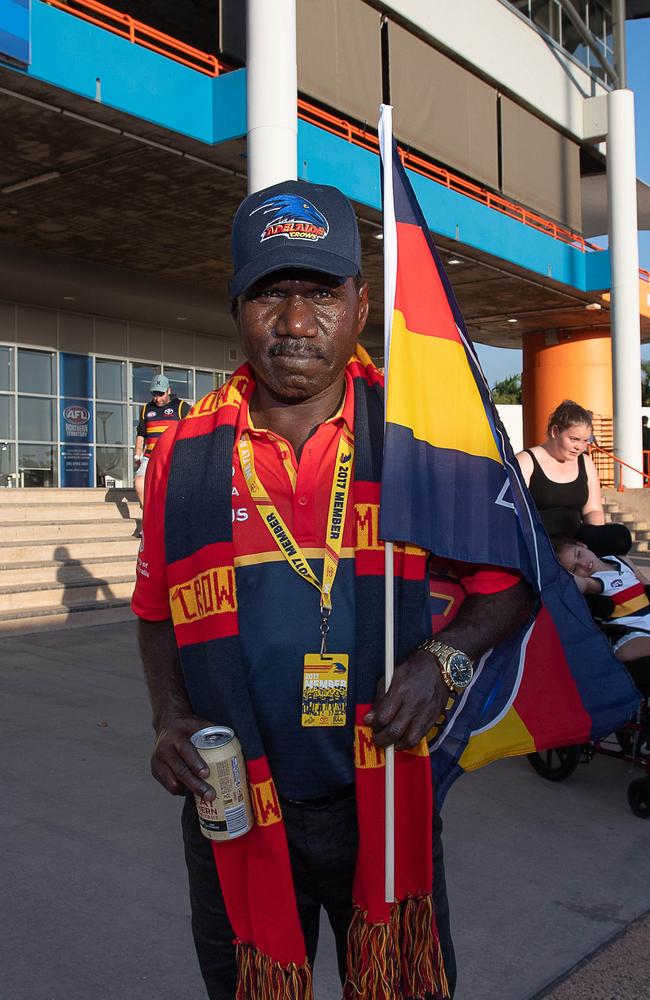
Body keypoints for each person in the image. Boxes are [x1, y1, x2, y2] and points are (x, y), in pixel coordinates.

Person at [132, 179, 533, 1000]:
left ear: (360, 304)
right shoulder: (183, 452)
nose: (293, 321)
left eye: (320, 292)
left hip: (380, 796)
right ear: (235, 305)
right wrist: (170, 713)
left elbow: (514, 585)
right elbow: (156, 612)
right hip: (235, 800)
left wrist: (440, 663)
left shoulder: (420, 435)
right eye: (269, 292)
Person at [516, 400, 630, 556]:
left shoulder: (586, 462)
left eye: (585, 441)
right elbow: (513, 512)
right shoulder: (526, 461)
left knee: (620, 538)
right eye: (574, 439)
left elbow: (593, 510)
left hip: (577, 543)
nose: (580, 447)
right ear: (555, 431)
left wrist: (594, 541)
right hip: (538, 543)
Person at [554, 537, 650, 690]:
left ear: (583, 545)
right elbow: (580, 584)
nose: (584, 564)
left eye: (579, 554)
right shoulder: (594, 582)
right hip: (630, 634)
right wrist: (556, 573)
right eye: (575, 569)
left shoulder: (621, 560)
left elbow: (646, 585)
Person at [133, 374, 189, 507]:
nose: (157, 398)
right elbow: (141, 434)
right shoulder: (146, 409)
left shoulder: (181, 406)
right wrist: (137, 455)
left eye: (160, 394)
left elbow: (192, 429)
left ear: (168, 390)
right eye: (154, 394)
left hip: (172, 457)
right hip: (149, 457)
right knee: (139, 482)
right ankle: (147, 517)